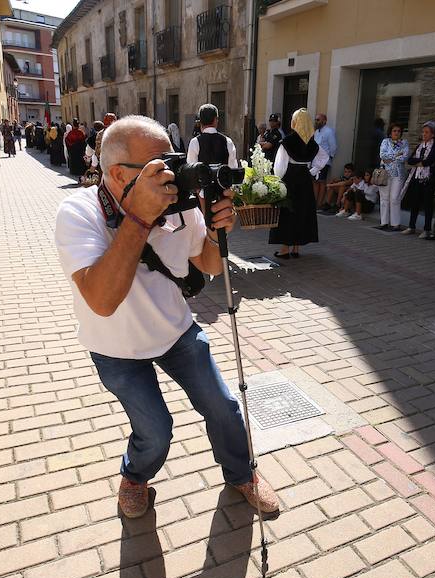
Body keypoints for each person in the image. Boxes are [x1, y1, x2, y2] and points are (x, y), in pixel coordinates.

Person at [53, 115, 279, 519]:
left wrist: (215, 230)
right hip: (115, 347)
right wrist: (139, 217)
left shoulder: (180, 205)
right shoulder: (77, 213)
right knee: (155, 429)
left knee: (225, 407)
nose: (173, 174)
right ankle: (135, 477)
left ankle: (243, 473)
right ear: (119, 175)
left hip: (177, 331)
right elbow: (102, 301)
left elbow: (208, 263)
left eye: (173, 161)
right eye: (160, 166)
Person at [269, 108, 329, 259]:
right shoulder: (312, 142)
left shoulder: (287, 141)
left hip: (290, 179)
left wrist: (277, 181)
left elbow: (280, 166)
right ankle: (296, 248)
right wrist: (312, 171)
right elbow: (324, 158)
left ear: (295, 122)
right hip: (305, 178)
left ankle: (285, 249)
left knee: (288, 213)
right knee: (302, 212)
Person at [403, 121, 435, 238]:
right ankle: (411, 226)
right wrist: (420, 162)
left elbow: (429, 161)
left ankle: (427, 229)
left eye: (427, 132)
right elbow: (410, 160)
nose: (424, 134)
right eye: (423, 132)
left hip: (428, 178)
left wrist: (419, 162)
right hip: (417, 176)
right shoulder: (421, 145)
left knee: (427, 204)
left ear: (433, 134)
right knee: (415, 202)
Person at [376, 122, 409, 231]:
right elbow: (383, 155)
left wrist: (392, 158)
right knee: (384, 198)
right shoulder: (385, 141)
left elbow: (404, 157)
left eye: (399, 131)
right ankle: (384, 222)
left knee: (394, 198)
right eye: (394, 131)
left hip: (398, 174)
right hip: (385, 173)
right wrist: (396, 155)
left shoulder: (404, 143)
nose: (397, 133)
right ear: (390, 132)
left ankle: (395, 223)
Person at [314, 113, 338, 211]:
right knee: (314, 181)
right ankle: (314, 202)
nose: (316, 121)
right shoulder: (316, 132)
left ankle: (319, 204)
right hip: (315, 161)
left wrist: (329, 158)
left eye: (318, 120)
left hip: (324, 161)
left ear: (324, 121)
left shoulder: (329, 131)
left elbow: (333, 146)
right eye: (316, 119)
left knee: (321, 182)